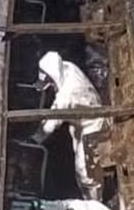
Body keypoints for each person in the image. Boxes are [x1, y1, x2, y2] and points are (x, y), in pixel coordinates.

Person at [34, 51, 109, 199]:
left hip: (92, 125)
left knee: (85, 170)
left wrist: (35, 138)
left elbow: (51, 123)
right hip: (82, 116)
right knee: (78, 154)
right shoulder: (68, 66)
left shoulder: (67, 96)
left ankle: (95, 202)